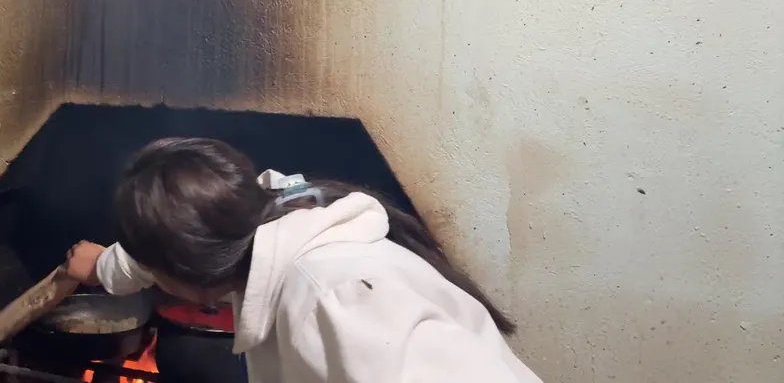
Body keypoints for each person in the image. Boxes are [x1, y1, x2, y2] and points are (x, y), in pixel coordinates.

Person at [65, 137, 542, 382]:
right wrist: (105, 266)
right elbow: (172, 241)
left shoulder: (339, 299)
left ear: (184, 273)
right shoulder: (275, 210)